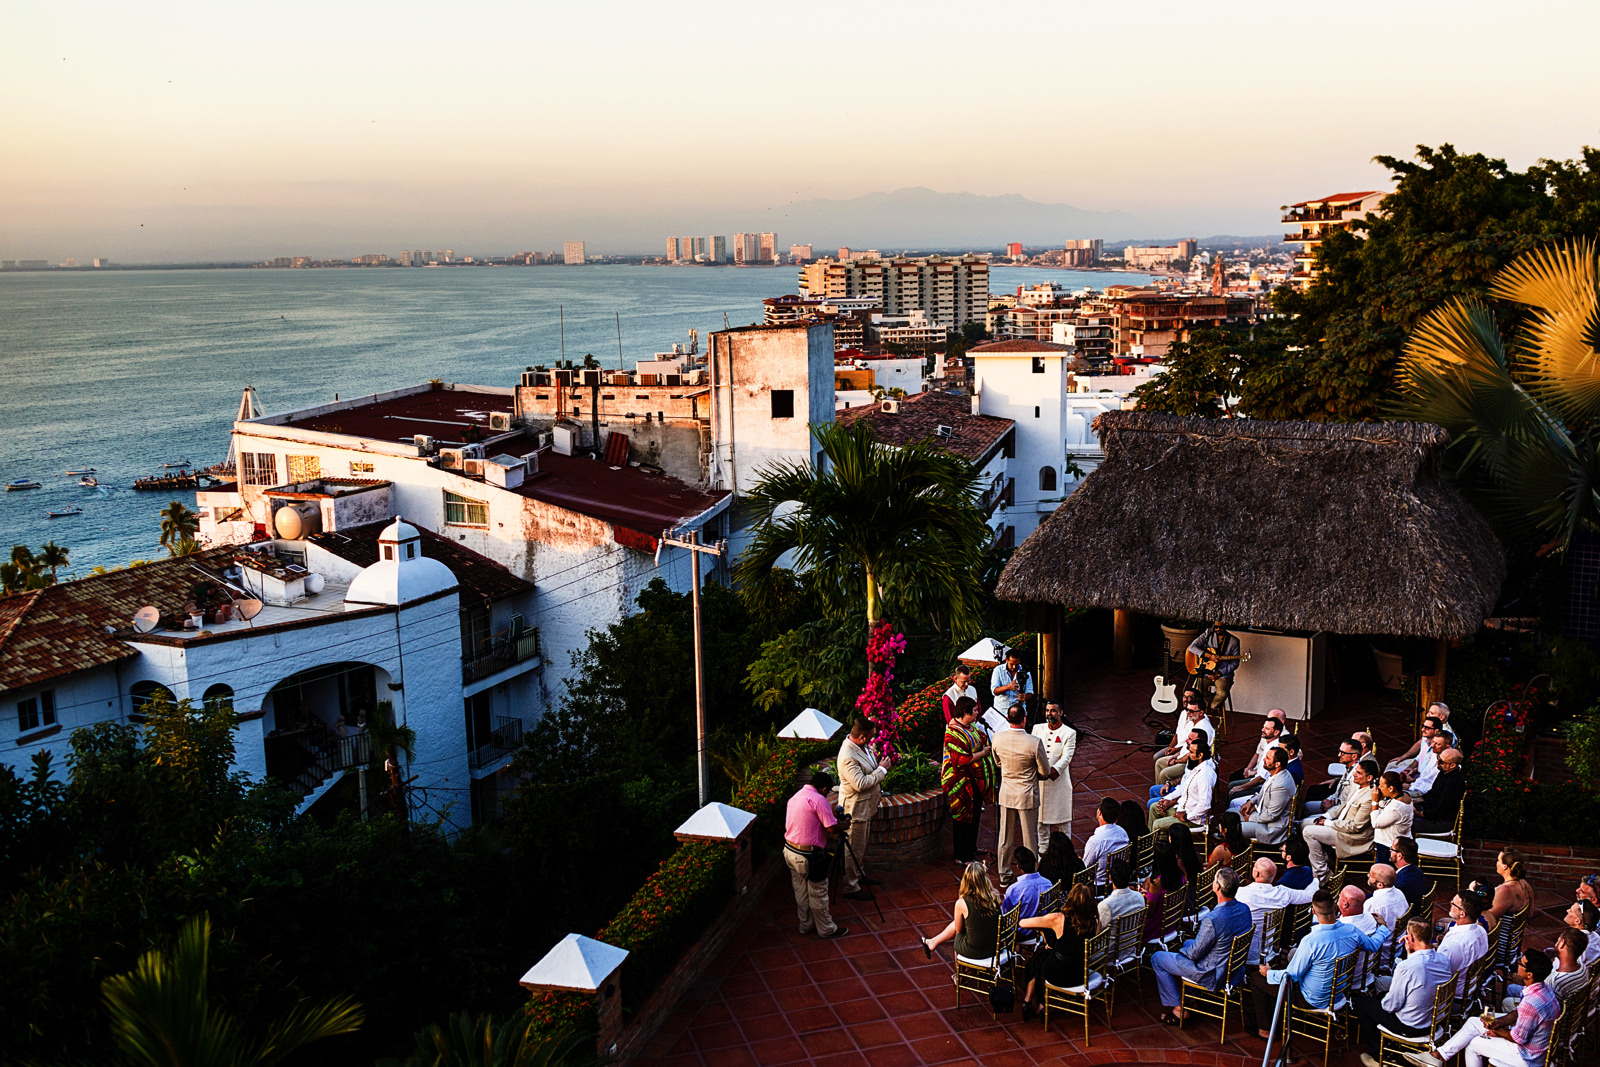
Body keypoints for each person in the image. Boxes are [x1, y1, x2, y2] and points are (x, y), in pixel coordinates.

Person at [1244, 891, 1391, 1038]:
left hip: (1313, 999)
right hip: (1339, 992)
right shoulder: (1351, 931)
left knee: (1256, 978)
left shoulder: (1311, 941)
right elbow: (1372, 944)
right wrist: (1383, 927)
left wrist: (1268, 972)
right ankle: (1275, 1014)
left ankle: (1265, 1030)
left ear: (1314, 911)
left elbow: (1292, 976)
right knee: (1284, 969)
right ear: (1335, 909)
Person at [1412, 950, 1558, 1067]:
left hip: (1527, 1056)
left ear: (1529, 975)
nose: (1517, 963)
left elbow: (1518, 1038)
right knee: (1474, 1021)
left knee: (1474, 1045)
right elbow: (1518, 1013)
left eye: (1521, 963)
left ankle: (1438, 1057)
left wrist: (1497, 1031)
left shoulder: (1531, 1003)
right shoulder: (1544, 990)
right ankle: (1438, 1056)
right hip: (1537, 1046)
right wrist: (1499, 1022)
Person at [1152, 866, 1253, 1026]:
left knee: (1158, 958)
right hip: (1233, 968)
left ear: (1217, 887)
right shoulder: (1244, 909)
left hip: (1211, 973)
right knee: (1187, 942)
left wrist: (1180, 951)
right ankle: (1192, 997)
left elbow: (1194, 954)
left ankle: (1178, 1009)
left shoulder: (1213, 919)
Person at [1353, 919, 1453, 1066]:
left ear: (1410, 938)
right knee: (1381, 996)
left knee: (1362, 1002)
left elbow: (1390, 1007)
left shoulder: (1407, 967)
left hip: (1411, 1026)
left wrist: (1408, 957)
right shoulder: (1443, 959)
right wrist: (1410, 953)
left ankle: (1377, 1057)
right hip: (1433, 1021)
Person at [784, 769, 848, 939]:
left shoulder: (796, 797)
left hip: (789, 851)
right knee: (818, 893)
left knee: (801, 892)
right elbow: (831, 827)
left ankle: (806, 925)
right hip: (808, 856)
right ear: (825, 789)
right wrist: (844, 825)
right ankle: (827, 929)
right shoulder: (818, 800)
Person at [991, 701, 1052, 882]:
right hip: (1026, 794)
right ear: (1024, 719)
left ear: (1008, 718)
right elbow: (1045, 771)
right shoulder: (1034, 742)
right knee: (1029, 837)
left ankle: (1003, 874)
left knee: (1005, 836)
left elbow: (998, 762)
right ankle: (1031, 874)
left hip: (1007, 792)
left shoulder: (997, 738)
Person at [1019, 883, 1097, 1022]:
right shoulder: (1094, 921)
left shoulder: (1058, 918)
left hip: (1059, 973)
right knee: (1044, 954)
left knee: (1039, 957)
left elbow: (1023, 923)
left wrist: (1043, 929)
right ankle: (1039, 1005)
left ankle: (1030, 1002)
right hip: (1080, 973)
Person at [837, 716, 890, 901]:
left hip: (866, 806)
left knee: (861, 846)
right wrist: (882, 770)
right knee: (854, 847)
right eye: (871, 736)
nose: (873, 740)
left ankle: (859, 875)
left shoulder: (862, 746)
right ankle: (851, 886)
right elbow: (860, 783)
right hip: (855, 809)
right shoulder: (847, 756)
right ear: (862, 737)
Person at [940, 696, 996, 865]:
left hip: (974, 780)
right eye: (974, 711)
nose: (977, 714)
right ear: (965, 713)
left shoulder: (971, 726)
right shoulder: (952, 731)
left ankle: (971, 848)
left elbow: (982, 739)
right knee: (962, 817)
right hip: (959, 782)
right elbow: (961, 760)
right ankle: (962, 855)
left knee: (975, 814)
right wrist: (983, 753)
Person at [1303, 758, 1376, 882]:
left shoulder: (1369, 797)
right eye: (1355, 771)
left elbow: (1356, 826)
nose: (1354, 774)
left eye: (1358, 773)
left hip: (1351, 836)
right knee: (1305, 823)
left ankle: (1322, 874)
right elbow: (1344, 805)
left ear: (1369, 778)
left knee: (1308, 832)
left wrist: (1328, 823)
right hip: (1340, 825)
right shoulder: (1358, 788)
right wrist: (1327, 816)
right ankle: (1324, 859)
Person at [1237, 856, 1321, 964]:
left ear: (1256, 873)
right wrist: (1315, 880)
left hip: (1243, 953)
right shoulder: (1281, 893)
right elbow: (1310, 895)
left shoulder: (1240, 893)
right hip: (1269, 951)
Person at [920, 860, 1001, 963]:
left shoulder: (961, 903)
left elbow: (959, 931)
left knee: (959, 936)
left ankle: (959, 977)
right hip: (995, 948)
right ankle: (933, 942)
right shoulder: (995, 894)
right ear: (985, 879)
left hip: (975, 951)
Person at [1504, 927, 1589, 1009]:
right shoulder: (1583, 967)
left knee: (1507, 1002)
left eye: (1558, 940)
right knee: (1512, 988)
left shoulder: (1554, 980)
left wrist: (1523, 979)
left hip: (1549, 1012)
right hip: (1571, 1009)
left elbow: (1542, 1002)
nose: (1556, 944)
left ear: (1562, 943)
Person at [1033, 702, 1077, 848]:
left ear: (1060, 713)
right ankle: (1042, 858)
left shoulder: (1069, 733)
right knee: (1041, 828)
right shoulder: (1037, 729)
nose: (1049, 714)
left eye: (1053, 711)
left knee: (1064, 826)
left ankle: (1066, 855)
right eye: (1047, 711)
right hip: (1040, 785)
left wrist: (1053, 771)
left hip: (1059, 786)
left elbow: (1066, 757)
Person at [1151, 734, 1216, 833]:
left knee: (1157, 824)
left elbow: (1205, 805)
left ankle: (1158, 844)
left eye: (1191, 752)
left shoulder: (1205, 775)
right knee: (1154, 808)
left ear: (1200, 755)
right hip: (1182, 809)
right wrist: (1166, 799)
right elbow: (1183, 788)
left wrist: (1186, 816)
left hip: (1193, 820)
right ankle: (1158, 842)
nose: (1189, 754)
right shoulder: (1195, 767)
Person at [1240, 747, 1295, 845]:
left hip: (1271, 828)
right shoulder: (1277, 773)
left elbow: (1271, 815)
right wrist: (1251, 802)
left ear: (1277, 764)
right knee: (1230, 814)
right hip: (1262, 816)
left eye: (1268, 758)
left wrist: (1251, 818)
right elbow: (1265, 792)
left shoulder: (1280, 785)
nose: (1264, 760)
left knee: (1233, 828)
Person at [1156, 699, 1216, 784]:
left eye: (1191, 711)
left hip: (1191, 763)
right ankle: (1159, 791)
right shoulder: (1193, 721)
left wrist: (1176, 761)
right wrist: (1176, 755)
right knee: (1159, 763)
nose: (1188, 713)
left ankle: (1166, 795)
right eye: (1187, 710)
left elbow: (1195, 754)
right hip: (1182, 757)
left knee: (1164, 774)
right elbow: (1186, 745)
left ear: (1201, 713)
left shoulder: (1203, 729)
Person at [1187, 621, 1243, 713]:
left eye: (1221, 628)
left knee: (1222, 694)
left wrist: (1219, 674)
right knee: (1196, 690)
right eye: (1216, 627)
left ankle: (1211, 708)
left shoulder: (1234, 641)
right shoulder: (1208, 634)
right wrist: (1209, 656)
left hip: (1223, 674)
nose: (1218, 630)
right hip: (1207, 671)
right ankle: (1213, 703)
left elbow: (1235, 664)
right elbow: (1192, 647)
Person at [1143, 834, 1187, 939]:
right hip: (1170, 922)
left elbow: (1149, 912)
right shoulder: (1179, 874)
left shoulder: (1157, 883)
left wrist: (1143, 896)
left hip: (1155, 927)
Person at [1304, 736, 1362, 813]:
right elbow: (1338, 792)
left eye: (1343, 753)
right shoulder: (1349, 767)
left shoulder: (1357, 775)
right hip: (1334, 803)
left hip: (1340, 812)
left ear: (1354, 756)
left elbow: (1349, 804)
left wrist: (1332, 807)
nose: (1339, 755)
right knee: (1307, 806)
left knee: (1305, 822)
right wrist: (1327, 800)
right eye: (1339, 751)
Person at [1414, 748, 1465, 834]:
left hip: (1441, 822)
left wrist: (1417, 813)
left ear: (1452, 765)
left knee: (1403, 824)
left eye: (1441, 761)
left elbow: (1440, 811)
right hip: (1430, 811)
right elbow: (1433, 793)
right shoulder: (1444, 772)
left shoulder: (1453, 783)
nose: (1437, 762)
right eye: (1438, 758)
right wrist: (1416, 801)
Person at [1484, 848, 1535, 935]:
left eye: (1498, 860)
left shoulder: (1506, 890)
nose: (1497, 863)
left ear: (1505, 866)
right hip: (1513, 940)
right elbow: (1530, 914)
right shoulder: (1524, 883)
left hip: (1501, 942)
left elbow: (1487, 922)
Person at [1388, 703, 1453, 768]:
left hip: (1428, 770)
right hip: (1420, 763)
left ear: (1442, 717)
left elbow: (1433, 765)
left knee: (1392, 770)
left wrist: (1414, 771)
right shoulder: (1430, 728)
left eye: (1431, 713)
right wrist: (1403, 757)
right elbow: (1421, 745)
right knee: (1392, 764)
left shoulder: (1445, 736)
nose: (1427, 715)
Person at [1371, 770, 1414, 864]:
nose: (1378, 788)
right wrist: (1381, 799)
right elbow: (1385, 811)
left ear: (1391, 788)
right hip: (1397, 842)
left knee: (1383, 874)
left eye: (1381, 786)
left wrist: (1374, 802)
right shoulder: (1404, 796)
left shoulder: (1396, 807)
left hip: (1388, 846)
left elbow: (1376, 823)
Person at [1082, 798, 1131, 881]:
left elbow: (1086, 868)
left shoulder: (1095, 841)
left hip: (1099, 884)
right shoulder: (1122, 832)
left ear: (1099, 813)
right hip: (1118, 879)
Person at [1231, 716, 1285, 787]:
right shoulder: (1266, 739)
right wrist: (1249, 767)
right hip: (1256, 772)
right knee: (1233, 778)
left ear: (1276, 732)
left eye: (1267, 729)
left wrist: (1241, 787)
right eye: (1263, 727)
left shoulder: (1274, 749)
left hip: (1261, 784)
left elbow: (1262, 778)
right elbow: (1257, 753)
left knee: (1232, 786)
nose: (1262, 730)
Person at [1003, 846, 1052, 920]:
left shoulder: (1013, 889)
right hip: (1042, 925)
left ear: (1018, 867)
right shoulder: (1047, 883)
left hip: (1021, 929)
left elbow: (1006, 913)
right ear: (1035, 861)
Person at [1098, 858, 1144, 931]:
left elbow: (1100, 932)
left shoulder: (1106, 905)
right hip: (1133, 940)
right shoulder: (1139, 897)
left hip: (1112, 942)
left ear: (1110, 878)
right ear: (1130, 878)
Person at [990, 648, 1033, 721]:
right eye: (1011, 664)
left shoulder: (1025, 671)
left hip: (1018, 711)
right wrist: (1007, 687)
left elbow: (1030, 692)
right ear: (1006, 660)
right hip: (1001, 711)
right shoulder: (998, 670)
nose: (1014, 667)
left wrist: (1025, 696)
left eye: (1016, 664)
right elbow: (994, 691)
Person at [1365, 864, 1410, 930]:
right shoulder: (1399, 893)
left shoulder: (1372, 904)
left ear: (1380, 885)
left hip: (1384, 939)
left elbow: (1365, 926)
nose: (1368, 875)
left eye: (1371, 875)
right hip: (1400, 935)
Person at [1407, 733, 1451, 799]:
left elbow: (1433, 788)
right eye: (1433, 742)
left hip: (1425, 795)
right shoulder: (1434, 755)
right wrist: (1411, 785)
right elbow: (1424, 776)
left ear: (1447, 747)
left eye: (1438, 744)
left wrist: (1411, 787)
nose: (1432, 746)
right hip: (1417, 787)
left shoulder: (1447, 765)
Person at [1393, 837, 1428, 906]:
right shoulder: (1417, 870)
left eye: (1392, 849)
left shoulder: (1399, 884)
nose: (1390, 851)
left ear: (1399, 856)